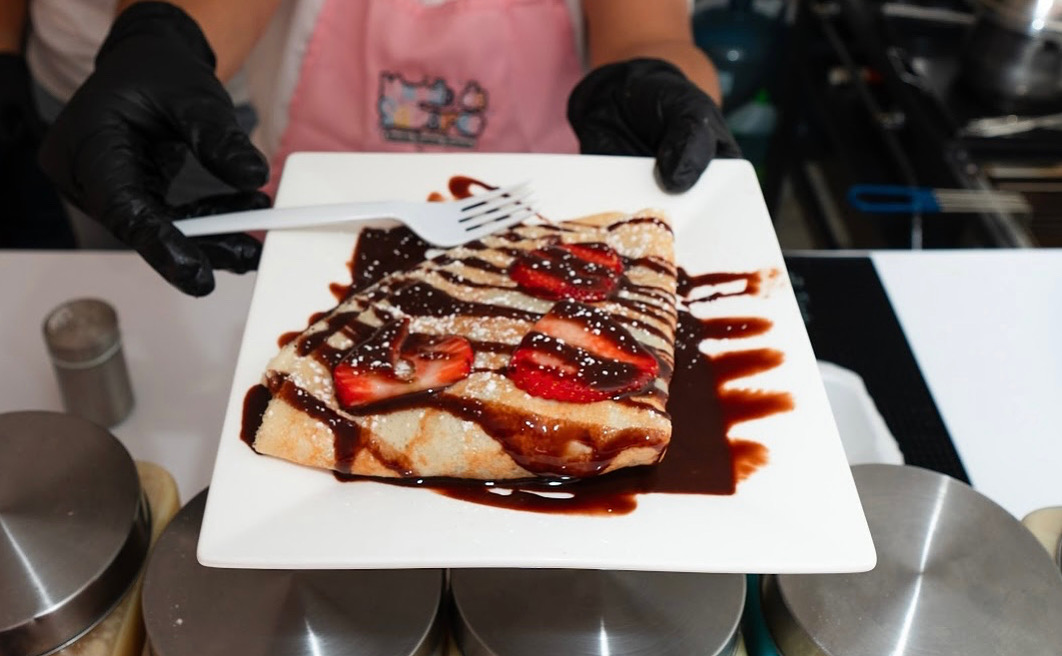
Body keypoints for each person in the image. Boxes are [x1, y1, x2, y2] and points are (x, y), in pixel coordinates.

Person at [36, 0, 740, 297]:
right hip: (316, 220)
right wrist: (165, 37)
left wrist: (661, 80)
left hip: (533, 216)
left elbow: (649, 28)